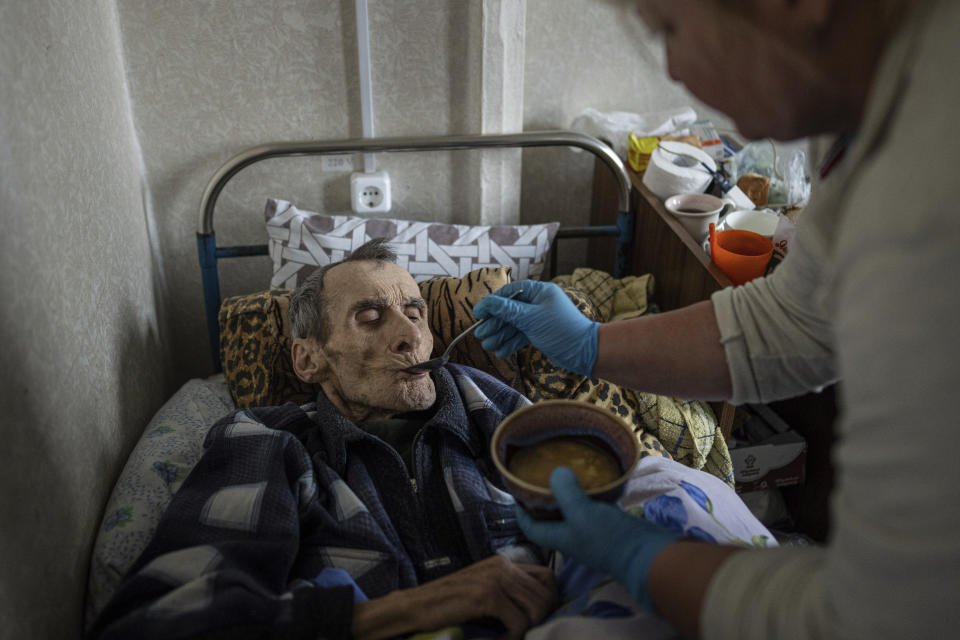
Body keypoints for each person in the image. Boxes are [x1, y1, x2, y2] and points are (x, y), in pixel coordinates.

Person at [473, 0, 960, 638]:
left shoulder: (928, 196)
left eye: (670, 28)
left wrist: (642, 558)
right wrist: (591, 344)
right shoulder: (867, 107)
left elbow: (880, 617)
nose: (672, 68)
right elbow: (797, 319)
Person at [91, 239, 559, 640]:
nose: (409, 335)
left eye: (416, 312)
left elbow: (608, 509)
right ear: (309, 359)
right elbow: (156, 623)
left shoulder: (490, 407)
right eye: (371, 317)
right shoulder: (270, 442)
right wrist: (396, 613)